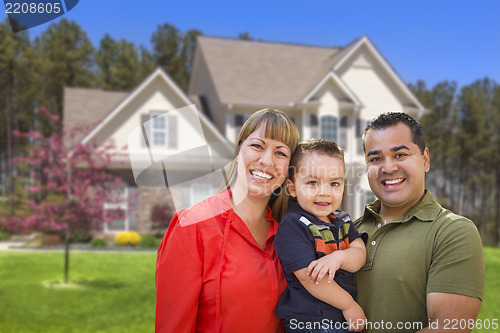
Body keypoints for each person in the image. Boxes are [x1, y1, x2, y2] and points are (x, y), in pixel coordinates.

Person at [155, 108, 300, 333]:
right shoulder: (193, 225)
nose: (267, 160)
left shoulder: (290, 233)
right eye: (257, 146)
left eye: (280, 153)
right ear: (238, 151)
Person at [355, 112, 485, 333]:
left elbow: (446, 329)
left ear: (425, 159)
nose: (388, 168)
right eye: (375, 159)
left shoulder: (452, 232)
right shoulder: (350, 231)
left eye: (400, 155)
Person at [275, 139, 368, 333]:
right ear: (292, 188)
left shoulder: (341, 220)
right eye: (312, 183)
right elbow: (309, 278)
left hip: (337, 319)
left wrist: (340, 257)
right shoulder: (294, 224)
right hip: (312, 321)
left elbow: (359, 253)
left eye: (334, 183)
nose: (324, 192)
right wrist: (348, 305)